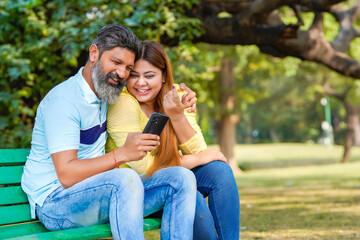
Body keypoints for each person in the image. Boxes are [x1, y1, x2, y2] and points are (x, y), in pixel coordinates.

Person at [21, 25, 198, 240]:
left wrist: (182, 95)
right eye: (116, 62)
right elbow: (66, 175)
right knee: (124, 178)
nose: (122, 74)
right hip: (55, 204)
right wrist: (122, 154)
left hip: (99, 194)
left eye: (128, 68)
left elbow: (151, 85)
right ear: (94, 53)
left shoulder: (107, 91)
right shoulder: (63, 101)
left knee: (181, 178)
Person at [105, 40, 240, 240]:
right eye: (134, 76)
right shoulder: (123, 103)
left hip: (170, 178)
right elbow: (143, 167)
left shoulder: (176, 96)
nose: (141, 83)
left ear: (163, 76)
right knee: (185, 190)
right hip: (134, 189)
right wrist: (197, 159)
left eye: (149, 76)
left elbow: (198, 150)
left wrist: (177, 116)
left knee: (219, 170)